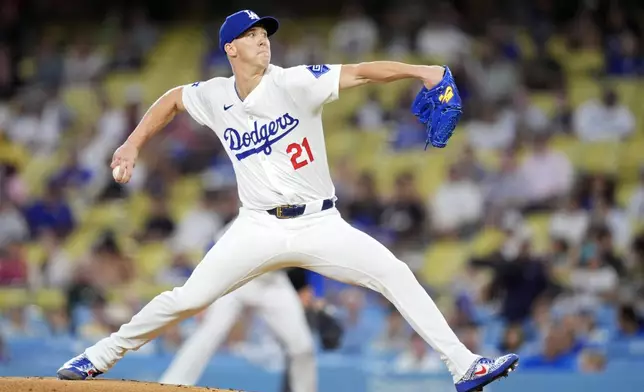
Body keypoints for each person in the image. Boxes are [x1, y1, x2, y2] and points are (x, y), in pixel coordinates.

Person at [57, 10, 518, 392]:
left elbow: (359, 72)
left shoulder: (295, 82)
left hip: (320, 224)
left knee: (395, 273)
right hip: (256, 227)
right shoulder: (215, 95)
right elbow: (173, 99)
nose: (263, 41)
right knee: (187, 298)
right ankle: (96, 357)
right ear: (230, 49)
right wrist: (133, 144)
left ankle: (464, 366)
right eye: (251, 35)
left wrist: (422, 71)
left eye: (264, 34)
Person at [158, 220, 316, 392]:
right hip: (238, 277)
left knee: (303, 347)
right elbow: (215, 249)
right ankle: (171, 385)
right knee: (210, 333)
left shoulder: (308, 220)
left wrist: (313, 293)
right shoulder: (256, 214)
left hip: (274, 283)